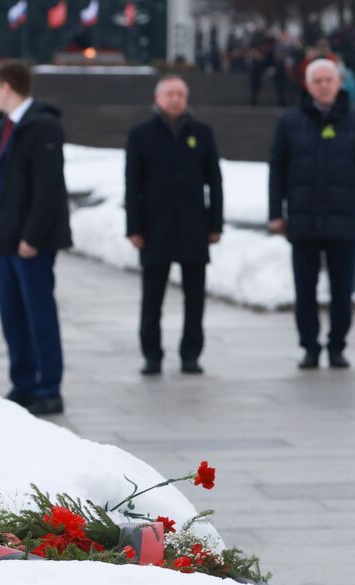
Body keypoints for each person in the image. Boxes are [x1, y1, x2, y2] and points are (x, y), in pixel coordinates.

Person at [268, 58, 355, 369]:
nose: (324, 86)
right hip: (303, 220)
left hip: (344, 219)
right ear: (308, 85)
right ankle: (310, 346)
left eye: (329, 80)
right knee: (305, 289)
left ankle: (337, 345)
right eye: (317, 81)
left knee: (342, 289)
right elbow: (277, 169)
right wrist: (276, 212)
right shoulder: (289, 122)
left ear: (339, 83)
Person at [0, 59, 71, 417]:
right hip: (4, 240)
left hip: (32, 242)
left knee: (39, 315)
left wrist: (32, 236)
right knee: (12, 315)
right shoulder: (0, 128)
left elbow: (48, 189)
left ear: (7, 87)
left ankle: (49, 387)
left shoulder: (42, 126)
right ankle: (24, 383)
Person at [125, 75, 224, 376]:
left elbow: (215, 183)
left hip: (194, 227)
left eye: (180, 94)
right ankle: (151, 354)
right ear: (157, 98)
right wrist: (134, 227)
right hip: (155, 227)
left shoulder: (202, 133)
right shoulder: (141, 135)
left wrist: (215, 223)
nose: (175, 99)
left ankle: (190, 354)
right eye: (169, 94)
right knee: (152, 296)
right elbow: (132, 184)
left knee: (194, 297)